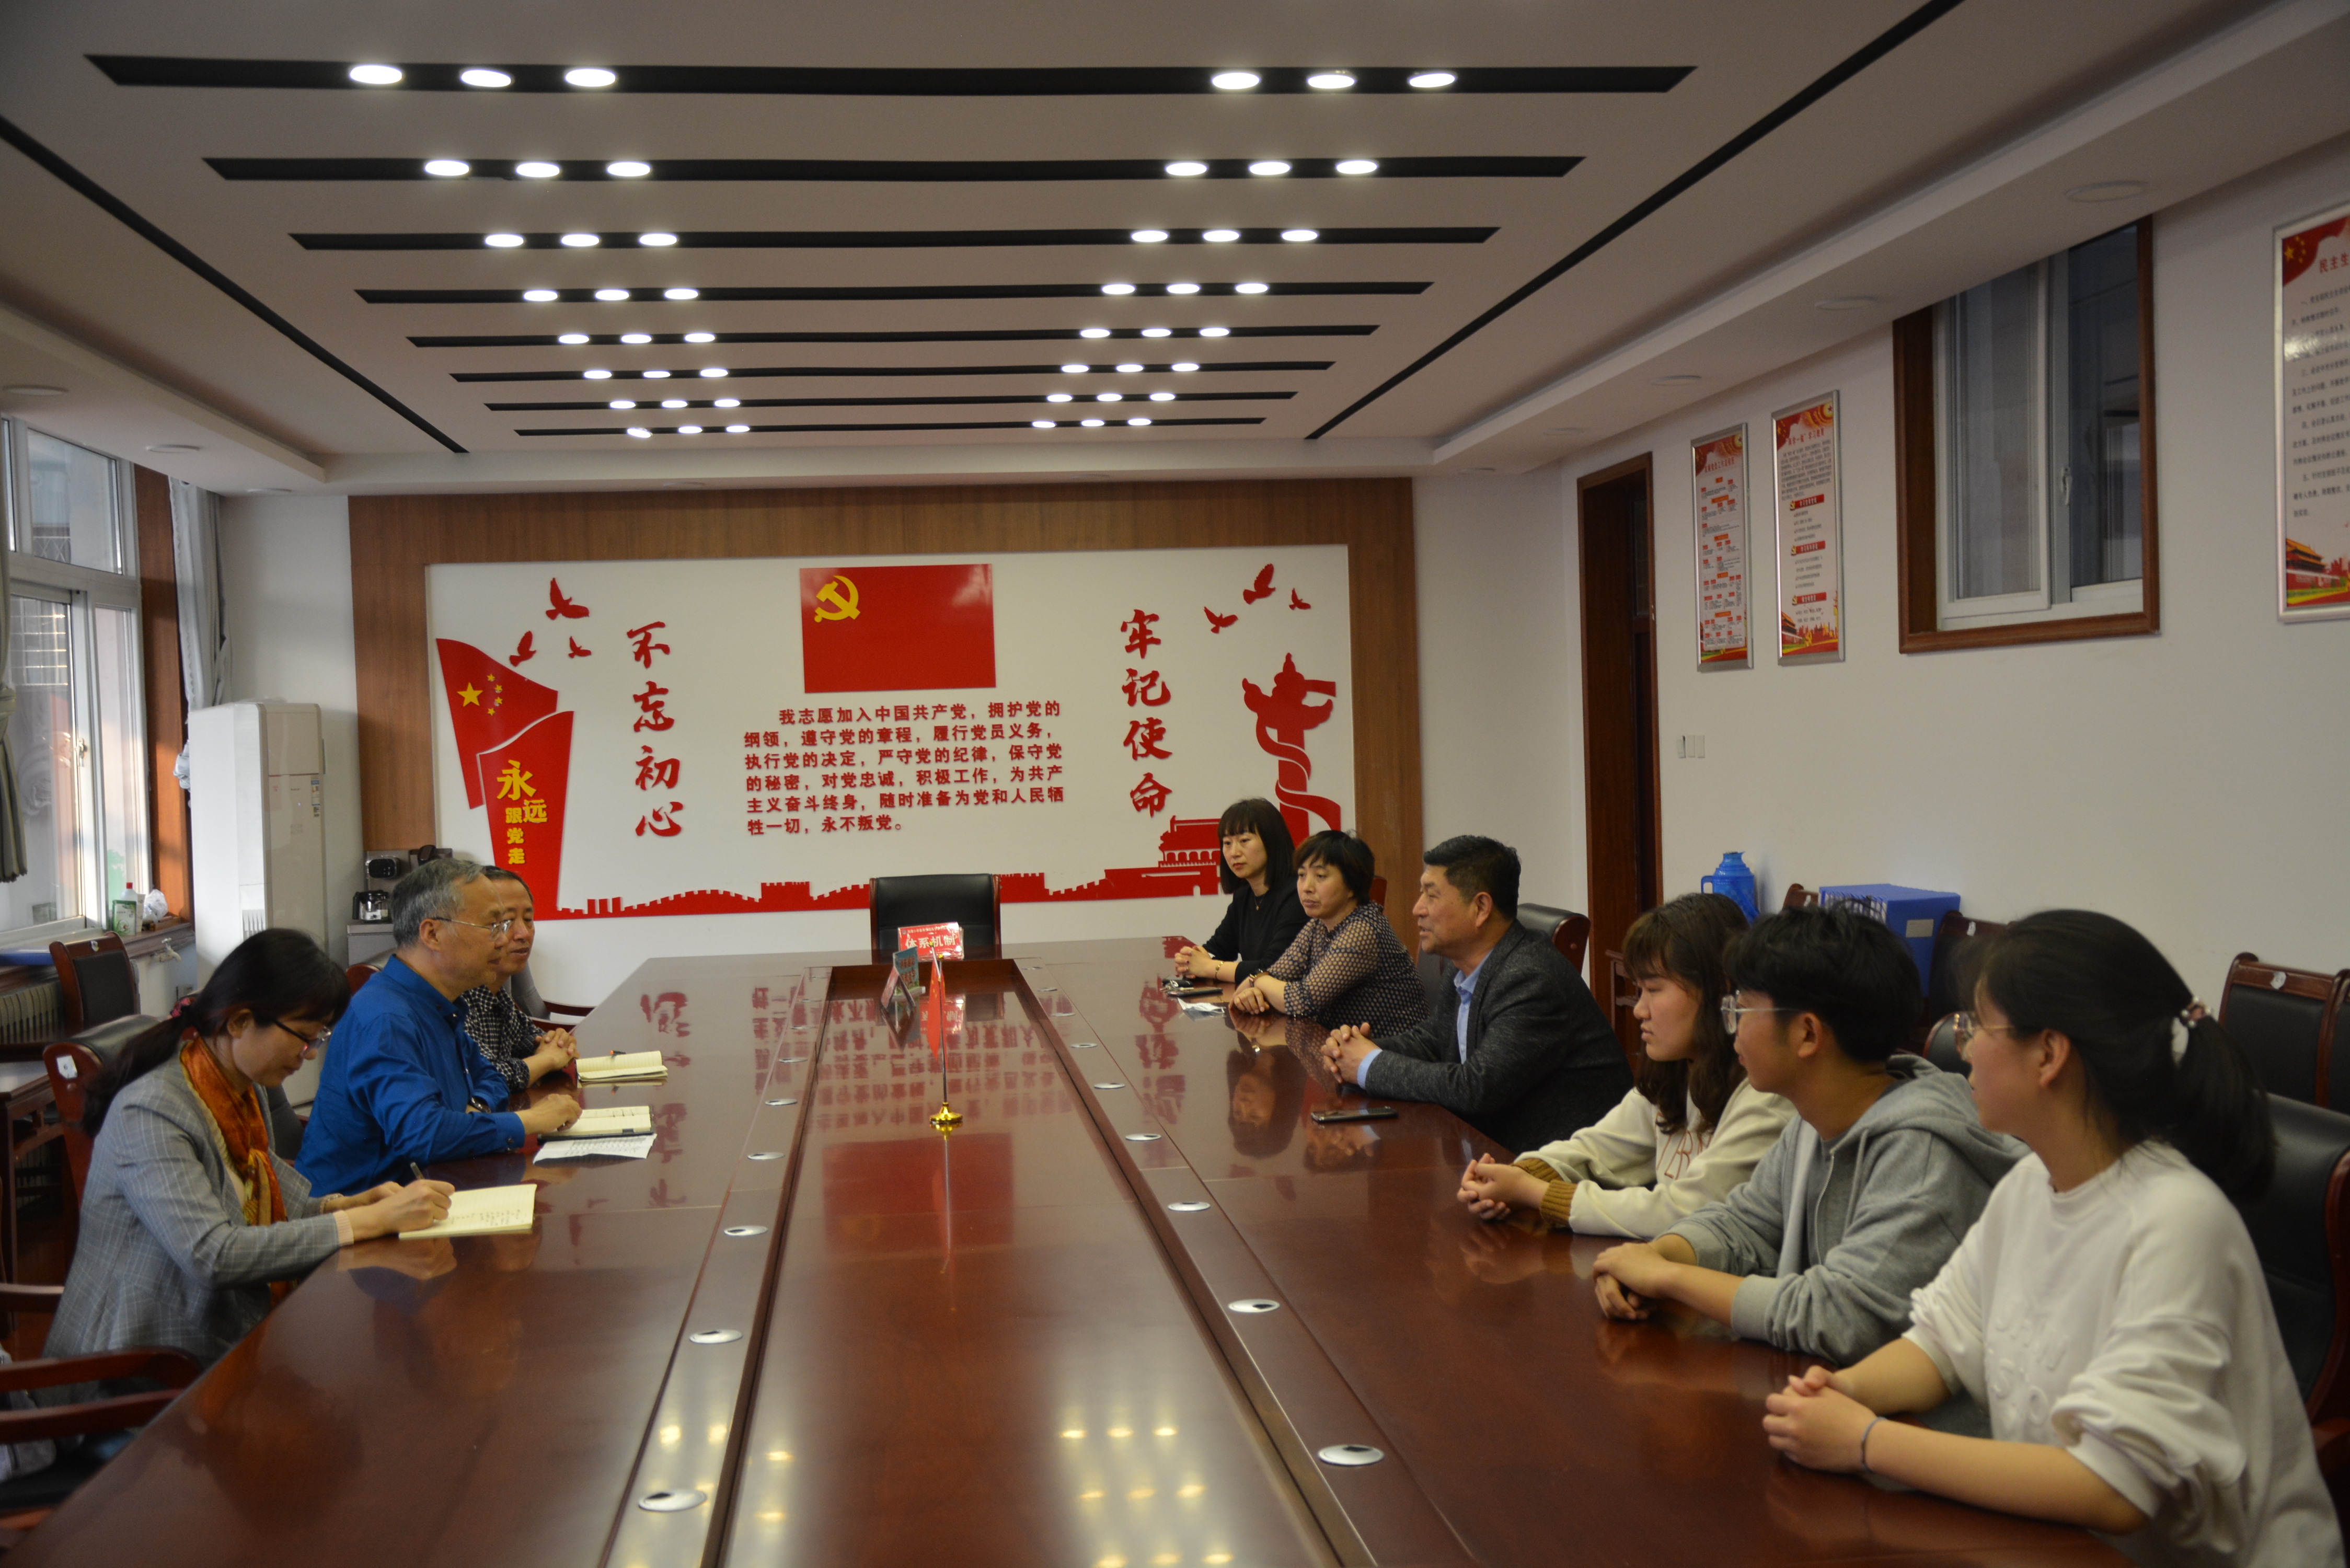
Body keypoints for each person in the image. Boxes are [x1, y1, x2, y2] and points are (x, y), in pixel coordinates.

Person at [1764, 911, 2343, 1567]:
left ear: (2048, 1053)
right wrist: (1842, 1393)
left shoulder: (2177, 1221)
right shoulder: (2029, 1185)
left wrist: (1866, 1441)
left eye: (1977, 1025)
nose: (1964, 1047)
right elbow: (1943, 1342)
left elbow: (2112, 1488)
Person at [1589, 905, 2022, 1365]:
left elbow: (1842, 1318)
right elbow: (1746, 1222)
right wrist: (1660, 1255)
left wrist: (1668, 1279)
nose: (1731, 1027)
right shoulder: (1815, 1118)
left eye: (1741, 1010)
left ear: (1807, 1034)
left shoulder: (1921, 1155)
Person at [44, 929, 454, 1373]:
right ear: (239, 1022)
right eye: (303, 1037)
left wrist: (349, 1204)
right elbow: (213, 1254)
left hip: (215, 1339)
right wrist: (364, 1221)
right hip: (139, 1365)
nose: (309, 1055)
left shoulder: (241, 1089)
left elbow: (269, 1197)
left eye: (319, 1038)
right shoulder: (152, 1110)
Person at [1456, 892, 1795, 1237]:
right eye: (1639, 990)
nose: (1639, 1010)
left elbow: (1689, 1211)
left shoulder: (1766, 1094)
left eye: (1654, 990)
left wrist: (1537, 1194)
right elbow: (1595, 1150)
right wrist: (1518, 1176)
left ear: (1718, 991)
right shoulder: (1677, 1071)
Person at [1320, 835, 1631, 1155]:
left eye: (1431, 895)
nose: (1417, 909)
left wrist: (1369, 1065)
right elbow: (1434, 1041)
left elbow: (1477, 1087)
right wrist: (1356, 1051)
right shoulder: (1464, 965)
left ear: (1481, 908)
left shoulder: (1531, 978)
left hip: (1569, 1173)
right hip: (1496, 1160)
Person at [299, 859, 581, 1195]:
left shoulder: (439, 1002)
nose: (503, 940)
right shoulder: (386, 1018)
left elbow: (490, 1078)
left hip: (432, 1188)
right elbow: (423, 1134)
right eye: (493, 926)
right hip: (365, 1210)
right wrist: (530, 1121)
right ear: (432, 934)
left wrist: (475, 1110)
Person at [1229, 830, 1424, 1038]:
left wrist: (1258, 982)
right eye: (1302, 875)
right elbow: (1276, 975)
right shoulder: (1318, 926)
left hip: (1391, 1050)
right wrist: (1255, 989)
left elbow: (1303, 1001)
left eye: (1320, 876)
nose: (1307, 887)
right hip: (1343, 1046)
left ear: (1352, 886)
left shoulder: (1363, 929)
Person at [457, 868, 579, 1094]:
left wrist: (556, 1043)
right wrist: (547, 1060)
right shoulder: (456, 998)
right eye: (506, 921)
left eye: (529, 920)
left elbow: (530, 1040)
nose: (523, 934)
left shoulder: (498, 995)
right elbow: (485, 1079)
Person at [1174, 798, 1307, 985]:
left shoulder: (1298, 895)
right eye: (1227, 843)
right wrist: (1191, 959)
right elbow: (1218, 948)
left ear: (1272, 841)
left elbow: (1273, 969)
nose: (1234, 852)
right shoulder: (1244, 896)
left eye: (1244, 841)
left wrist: (1208, 967)